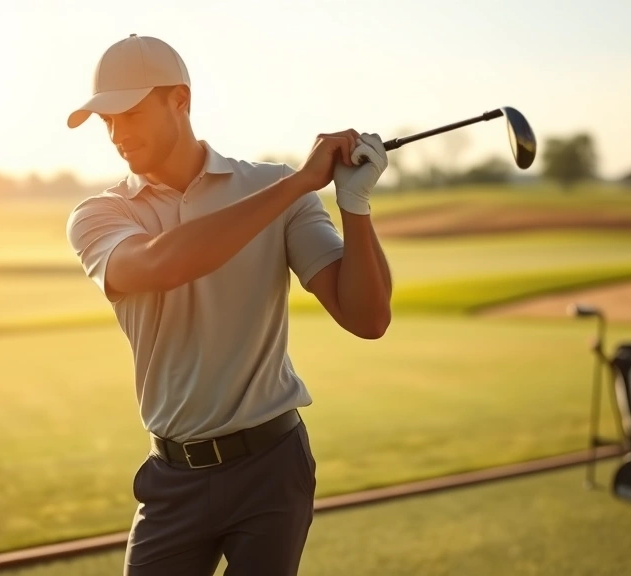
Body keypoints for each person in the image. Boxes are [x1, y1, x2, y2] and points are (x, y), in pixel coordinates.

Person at [65, 33, 393, 576]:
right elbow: (161, 264)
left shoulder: (276, 187)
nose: (117, 132)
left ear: (180, 100)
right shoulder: (100, 215)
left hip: (271, 465)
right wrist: (296, 185)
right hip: (172, 478)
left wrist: (354, 204)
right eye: (106, 119)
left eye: (129, 111)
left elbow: (367, 318)